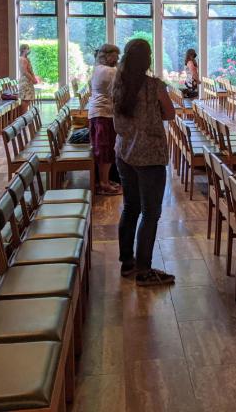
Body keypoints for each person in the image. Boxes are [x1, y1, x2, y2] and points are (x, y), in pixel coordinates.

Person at [112, 38, 176, 286]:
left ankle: (127, 263)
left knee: (130, 208)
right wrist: (152, 115)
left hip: (124, 152)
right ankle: (144, 269)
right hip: (149, 155)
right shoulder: (153, 86)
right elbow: (170, 113)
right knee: (151, 213)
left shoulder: (118, 84)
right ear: (147, 60)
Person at [88, 44, 122, 196]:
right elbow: (120, 90)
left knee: (101, 149)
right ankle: (104, 184)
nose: (118, 59)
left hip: (96, 111)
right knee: (105, 150)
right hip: (105, 113)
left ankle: (104, 180)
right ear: (108, 56)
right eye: (116, 55)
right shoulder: (110, 71)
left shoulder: (97, 68)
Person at [18, 43, 38, 114]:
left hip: (28, 82)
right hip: (25, 82)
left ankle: (25, 117)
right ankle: (23, 118)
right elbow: (25, 72)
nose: (29, 50)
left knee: (28, 100)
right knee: (25, 100)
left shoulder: (26, 59)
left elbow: (30, 70)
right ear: (23, 50)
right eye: (27, 48)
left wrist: (34, 78)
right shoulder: (22, 59)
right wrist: (33, 79)